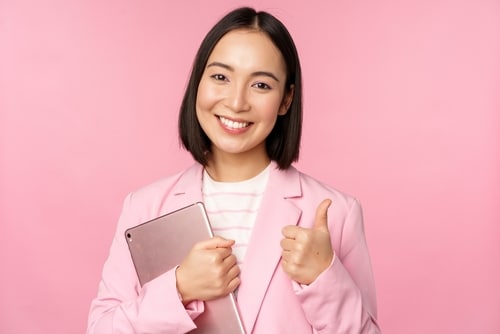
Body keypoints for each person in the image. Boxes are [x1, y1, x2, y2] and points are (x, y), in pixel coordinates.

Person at [87, 6, 381, 334]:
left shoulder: (336, 213)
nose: (237, 101)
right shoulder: (143, 207)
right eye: (221, 77)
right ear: (198, 81)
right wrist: (179, 288)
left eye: (261, 85)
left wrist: (325, 279)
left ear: (286, 100)